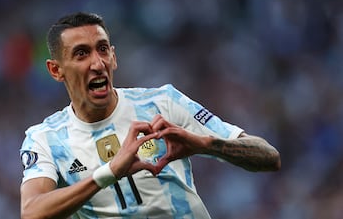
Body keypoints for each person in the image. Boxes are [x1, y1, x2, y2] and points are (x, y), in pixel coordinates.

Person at [19, 12, 281, 219]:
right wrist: (109, 172)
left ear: (114, 57)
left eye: (102, 49)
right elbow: (32, 212)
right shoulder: (45, 139)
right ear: (56, 70)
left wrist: (203, 144)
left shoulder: (162, 103)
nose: (97, 64)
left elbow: (269, 156)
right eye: (81, 54)